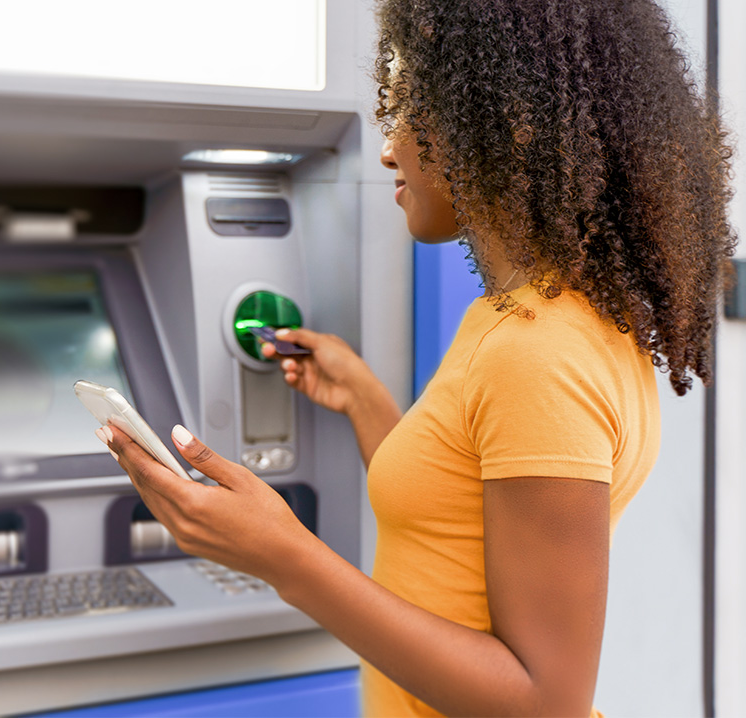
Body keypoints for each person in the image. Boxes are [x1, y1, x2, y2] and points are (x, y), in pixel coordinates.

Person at [95, 0, 736, 714]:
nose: (387, 148)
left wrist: (283, 556)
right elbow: (457, 522)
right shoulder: (544, 318)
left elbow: (545, 701)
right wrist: (365, 401)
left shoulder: (536, 352)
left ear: (505, 119)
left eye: (411, 108)